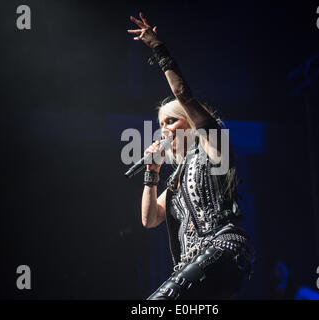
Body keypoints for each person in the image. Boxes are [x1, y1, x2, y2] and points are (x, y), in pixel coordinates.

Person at [128, 12, 253, 300]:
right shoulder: (175, 179)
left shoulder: (213, 147)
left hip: (224, 248)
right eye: (160, 124)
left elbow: (182, 92)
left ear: (190, 122)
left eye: (171, 121)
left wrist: (158, 48)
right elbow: (150, 219)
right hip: (193, 266)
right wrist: (152, 173)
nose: (164, 129)